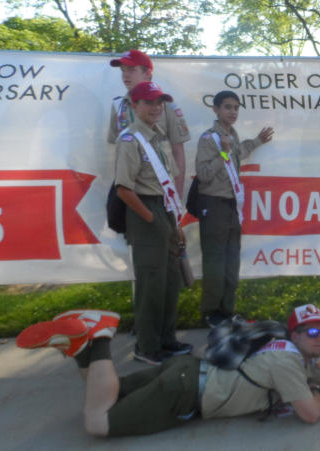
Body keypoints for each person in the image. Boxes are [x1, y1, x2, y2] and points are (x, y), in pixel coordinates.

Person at [15, 304, 320, 436]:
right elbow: (310, 414)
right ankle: (101, 337)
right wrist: (316, 390)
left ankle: (81, 348)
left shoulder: (285, 350)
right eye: (312, 331)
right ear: (294, 335)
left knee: (107, 393)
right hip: (185, 393)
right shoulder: (288, 361)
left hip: (187, 371)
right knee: (97, 423)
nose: (319, 337)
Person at [114, 81, 189, 364]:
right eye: (149, 102)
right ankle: (147, 347)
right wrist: (152, 219)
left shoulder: (158, 137)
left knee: (170, 281)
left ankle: (166, 339)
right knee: (151, 284)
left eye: (159, 102)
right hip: (145, 211)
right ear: (135, 106)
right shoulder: (130, 140)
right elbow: (124, 189)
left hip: (165, 209)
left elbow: (167, 182)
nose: (156, 108)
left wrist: (175, 223)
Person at [195, 90, 274, 327]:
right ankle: (211, 313)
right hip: (214, 204)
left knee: (231, 262)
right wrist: (223, 153)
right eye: (227, 107)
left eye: (236, 108)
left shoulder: (232, 134)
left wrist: (257, 141)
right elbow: (204, 174)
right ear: (216, 109)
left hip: (232, 205)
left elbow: (238, 154)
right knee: (215, 263)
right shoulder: (209, 138)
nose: (232, 112)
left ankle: (227, 310)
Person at [109, 49, 190, 192]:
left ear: (147, 73)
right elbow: (117, 152)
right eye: (123, 70)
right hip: (128, 190)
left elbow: (178, 151)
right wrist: (120, 190)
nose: (125, 75)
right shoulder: (118, 105)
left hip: (158, 189)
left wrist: (177, 194)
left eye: (131, 69)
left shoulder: (167, 106)